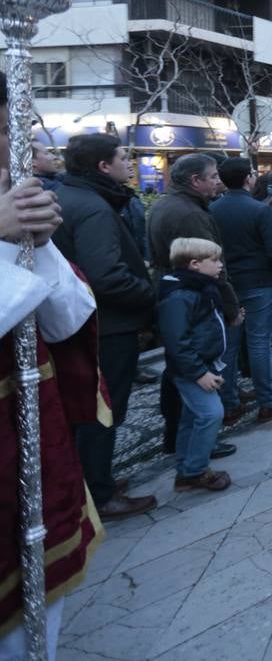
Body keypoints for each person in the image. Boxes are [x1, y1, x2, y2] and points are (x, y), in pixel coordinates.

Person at [0, 72, 104, 657]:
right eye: (11, 133)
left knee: (41, 614)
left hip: (33, 444)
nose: (30, 152)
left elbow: (67, 320)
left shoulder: (24, 208)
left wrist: (36, 244)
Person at [51, 133, 160, 519]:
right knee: (103, 410)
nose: (130, 164)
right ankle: (98, 493)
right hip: (106, 326)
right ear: (103, 166)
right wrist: (148, 294)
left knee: (85, 409)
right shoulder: (93, 207)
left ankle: (91, 480)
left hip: (78, 323)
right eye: (123, 157)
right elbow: (106, 276)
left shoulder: (69, 197)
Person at [147, 153, 241, 452]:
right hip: (195, 300)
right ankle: (196, 446)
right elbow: (211, 264)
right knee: (194, 373)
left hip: (184, 294)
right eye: (213, 176)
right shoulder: (188, 214)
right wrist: (229, 307)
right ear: (195, 181)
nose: (218, 182)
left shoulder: (172, 204)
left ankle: (182, 440)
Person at [210, 157, 272, 425]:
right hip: (259, 281)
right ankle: (268, 402)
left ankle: (230, 403)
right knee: (260, 343)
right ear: (248, 178)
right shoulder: (259, 210)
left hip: (227, 283)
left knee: (229, 346)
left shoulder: (212, 209)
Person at [157, 237, 232, 493]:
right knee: (211, 414)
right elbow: (177, 341)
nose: (220, 265)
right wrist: (200, 373)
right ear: (195, 264)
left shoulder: (200, 288)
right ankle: (196, 470)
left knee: (191, 417)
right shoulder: (180, 296)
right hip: (191, 369)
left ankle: (185, 470)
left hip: (201, 364)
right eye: (215, 260)